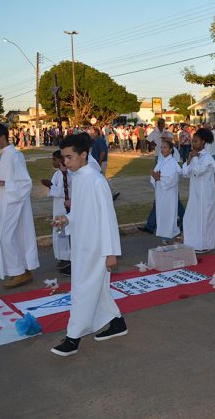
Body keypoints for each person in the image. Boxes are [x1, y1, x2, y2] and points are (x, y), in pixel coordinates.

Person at [52, 134, 128, 357]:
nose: (65, 162)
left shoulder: (96, 180)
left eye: (69, 157)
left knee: (82, 290)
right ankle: (117, 323)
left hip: (96, 247)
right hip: (81, 243)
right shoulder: (78, 178)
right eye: (64, 157)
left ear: (84, 154)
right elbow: (80, 212)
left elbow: (108, 218)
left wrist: (110, 252)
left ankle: (73, 338)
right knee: (98, 288)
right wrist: (67, 219)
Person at [0, 124, 39, 288]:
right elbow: (4, 181)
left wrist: (1, 183)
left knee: (6, 238)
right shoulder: (5, 156)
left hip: (15, 204)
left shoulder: (15, 155)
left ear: (2, 137)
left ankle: (19, 272)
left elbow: (25, 183)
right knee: (14, 237)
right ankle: (23, 270)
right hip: (7, 202)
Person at [181, 128, 215, 253]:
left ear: (203, 142)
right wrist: (189, 159)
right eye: (193, 141)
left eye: (196, 141)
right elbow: (185, 173)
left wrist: (195, 158)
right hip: (195, 193)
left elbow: (198, 171)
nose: (193, 144)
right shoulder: (194, 156)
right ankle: (193, 243)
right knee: (190, 218)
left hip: (205, 194)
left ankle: (204, 245)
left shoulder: (207, 157)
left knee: (204, 219)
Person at [40, 151, 71, 272]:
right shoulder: (57, 173)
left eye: (54, 160)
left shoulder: (68, 174)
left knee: (63, 233)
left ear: (61, 160)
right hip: (57, 207)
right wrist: (50, 186)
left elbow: (64, 192)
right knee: (58, 233)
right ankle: (61, 257)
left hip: (64, 209)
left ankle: (67, 258)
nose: (52, 162)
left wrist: (50, 185)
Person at [151, 141, 182, 243]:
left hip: (169, 193)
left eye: (165, 148)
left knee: (170, 213)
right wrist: (155, 178)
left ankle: (171, 235)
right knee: (162, 213)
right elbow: (154, 175)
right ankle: (168, 235)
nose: (162, 150)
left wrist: (159, 178)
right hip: (160, 192)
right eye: (162, 148)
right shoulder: (161, 162)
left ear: (170, 149)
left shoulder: (173, 163)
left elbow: (173, 179)